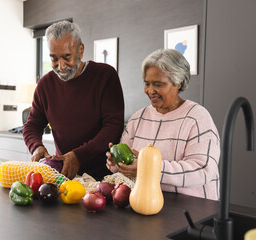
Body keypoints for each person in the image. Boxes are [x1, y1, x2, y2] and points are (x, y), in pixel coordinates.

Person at [106, 49, 220, 200]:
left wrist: (149, 168)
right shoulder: (138, 118)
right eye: (147, 83)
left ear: (178, 82)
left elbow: (202, 170)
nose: (150, 91)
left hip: (191, 207)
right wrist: (116, 164)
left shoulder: (197, 118)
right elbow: (130, 166)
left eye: (158, 84)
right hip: (144, 201)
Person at [23, 21, 125, 181]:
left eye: (66, 57)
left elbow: (113, 127)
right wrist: (36, 146)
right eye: (54, 59)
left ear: (80, 50)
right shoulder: (45, 85)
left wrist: (78, 156)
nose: (61, 66)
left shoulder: (105, 76)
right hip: (64, 175)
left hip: (103, 177)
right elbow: (32, 125)